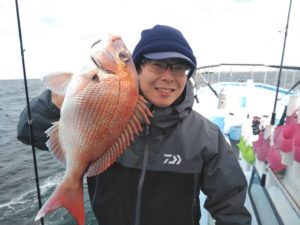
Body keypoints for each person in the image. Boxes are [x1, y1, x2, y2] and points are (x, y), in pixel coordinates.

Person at [17, 24, 252, 225]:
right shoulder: (104, 112)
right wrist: (60, 97)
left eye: (179, 67)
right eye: (158, 65)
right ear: (136, 70)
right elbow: (28, 131)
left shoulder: (206, 136)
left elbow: (231, 206)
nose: (169, 76)